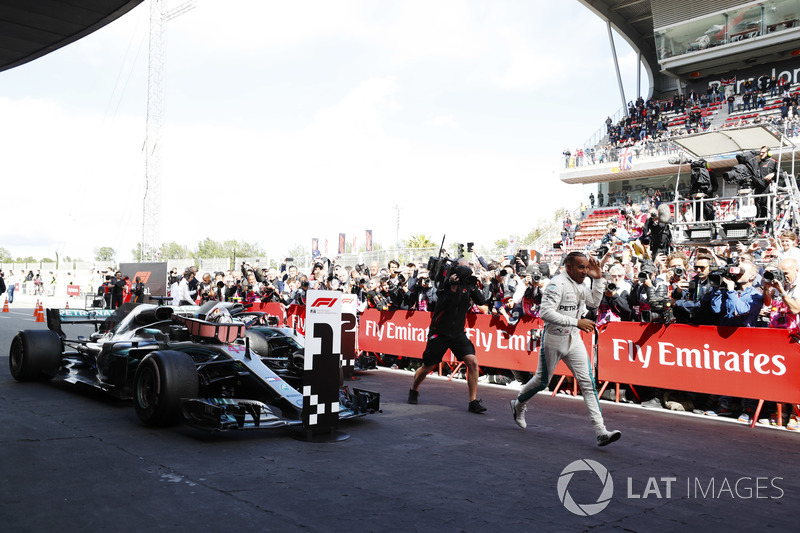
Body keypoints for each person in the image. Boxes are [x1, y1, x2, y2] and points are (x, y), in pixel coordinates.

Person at [509, 252, 622, 446]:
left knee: (588, 383)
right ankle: (518, 403)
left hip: (574, 339)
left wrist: (598, 279)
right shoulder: (556, 284)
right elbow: (545, 313)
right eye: (581, 267)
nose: (585, 271)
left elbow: (594, 303)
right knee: (542, 382)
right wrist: (576, 321)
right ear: (568, 267)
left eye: (587, 267)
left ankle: (601, 431)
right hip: (553, 338)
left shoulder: (582, 283)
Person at [408, 262, 488, 413]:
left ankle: (473, 401)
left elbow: (482, 302)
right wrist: (452, 287)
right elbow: (443, 304)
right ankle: (414, 388)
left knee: (473, 363)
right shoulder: (443, 286)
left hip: (458, 333)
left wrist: (473, 287)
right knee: (427, 366)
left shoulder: (467, 288)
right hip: (440, 332)